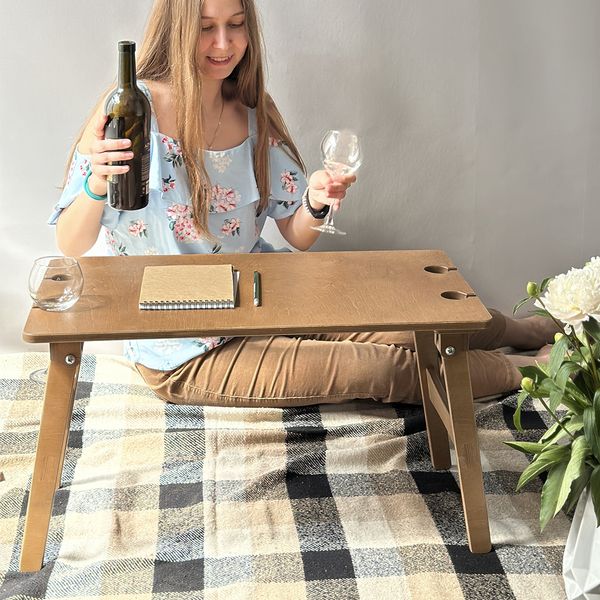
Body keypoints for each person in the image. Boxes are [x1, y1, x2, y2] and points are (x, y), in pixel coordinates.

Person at [50, 0, 555, 407]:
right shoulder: (131, 106)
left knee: (413, 316)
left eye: (236, 25)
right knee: (380, 366)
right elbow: (71, 242)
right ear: (179, 28)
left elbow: (295, 234)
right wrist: (96, 183)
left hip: (266, 296)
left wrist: (314, 202)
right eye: (206, 27)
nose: (223, 44)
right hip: (186, 346)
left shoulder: (251, 113)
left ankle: (522, 329)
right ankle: (534, 371)